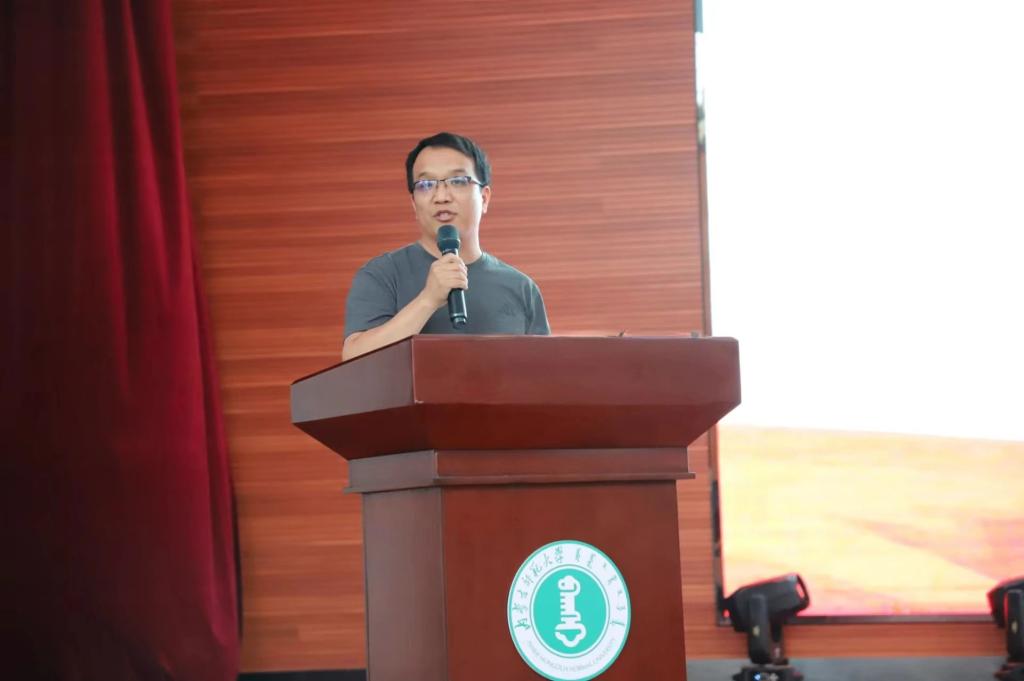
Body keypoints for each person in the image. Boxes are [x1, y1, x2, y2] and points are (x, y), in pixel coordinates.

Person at [342, 132, 550, 360]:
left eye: (458, 181)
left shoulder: (521, 288)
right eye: (426, 184)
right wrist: (428, 300)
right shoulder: (382, 274)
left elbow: (544, 372)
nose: (441, 196)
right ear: (414, 203)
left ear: (484, 198)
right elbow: (354, 359)